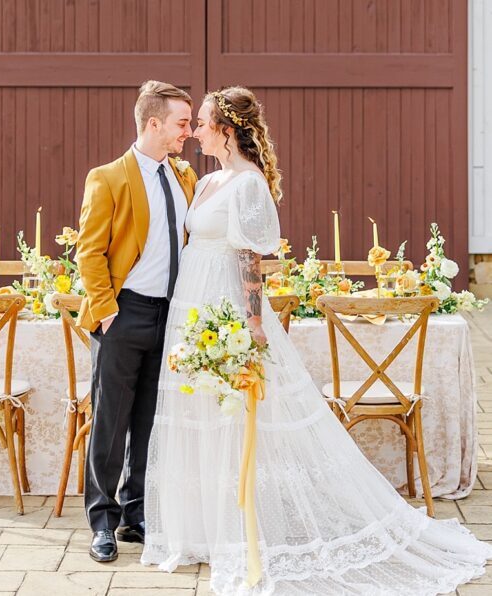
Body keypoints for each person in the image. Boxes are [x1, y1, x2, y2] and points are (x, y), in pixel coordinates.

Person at [141, 86, 492, 595]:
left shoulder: (248, 183)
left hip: (229, 307)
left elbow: (250, 259)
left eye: (203, 121)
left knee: (240, 413)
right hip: (192, 303)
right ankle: (205, 529)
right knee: (200, 412)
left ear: (227, 129)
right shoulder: (205, 181)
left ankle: (245, 527)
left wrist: (254, 321)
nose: (194, 129)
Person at [75, 80, 197, 563]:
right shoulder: (107, 178)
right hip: (123, 314)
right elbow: (89, 252)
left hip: (170, 316)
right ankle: (101, 523)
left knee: (149, 422)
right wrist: (106, 313)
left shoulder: (183, 177)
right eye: (182, 123)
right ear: (154, 123)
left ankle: (135, 514)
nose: (189, 132)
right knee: (110, 422)